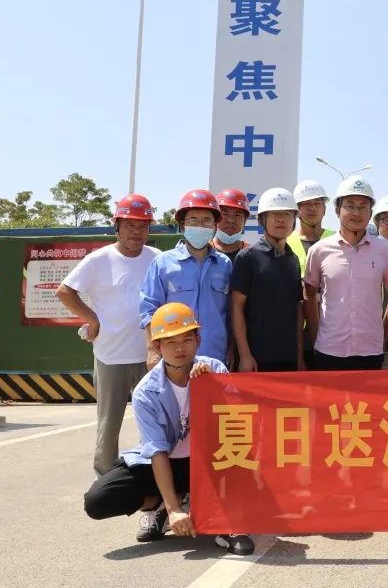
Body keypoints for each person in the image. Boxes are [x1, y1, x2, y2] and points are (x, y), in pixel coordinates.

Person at [82, 303, 254, 555]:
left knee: (243, 458)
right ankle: (166, 504)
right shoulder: (146, 392)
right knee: (98, 500)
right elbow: (157, 452)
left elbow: (236, 426)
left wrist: (212, 387)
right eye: (170, 342)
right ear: (157, 346)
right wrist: (174, 509)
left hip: (209, 462)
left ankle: (228, 524)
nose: (180, 348)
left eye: (187, 339)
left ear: (198, 340)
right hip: (167, 463)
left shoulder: (215, 370)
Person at [56, 194, 159, 476]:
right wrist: (91, 318)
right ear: (117, 226)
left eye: (143, 226)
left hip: (150, 357)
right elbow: (65, 291)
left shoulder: (157, 258)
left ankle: (152, 478)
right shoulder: (99, 259)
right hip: (110, 355)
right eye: (130, 225)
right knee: (109, 424)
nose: (136, 232)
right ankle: (105, 479)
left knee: (154, 422)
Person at [304, 176, 388, 370]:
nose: (356, 213)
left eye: (363, 207)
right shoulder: (319, 250)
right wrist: (316, 335)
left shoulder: (384, 251)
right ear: (337, 210)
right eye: (350, 206)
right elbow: (309, 294)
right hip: (328, 350)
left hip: (371, 351)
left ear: (370, 212)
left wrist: (383, 331)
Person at [140, 190, 231, 366]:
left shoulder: (224, 264)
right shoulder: (163, 263)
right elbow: (149, 309)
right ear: (182, 225)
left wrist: (232, 349)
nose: (200, 226)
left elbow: (230, 313)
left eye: (206, 220)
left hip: (215, 358)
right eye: (193, 220)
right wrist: (152, 349)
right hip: (175, 360)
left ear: (215, 226)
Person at [230, 188, 304, 372]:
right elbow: (236, 307)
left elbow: (297, 308)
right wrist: (245, 355)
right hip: (256, 359)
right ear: (262, 219)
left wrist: (299, 355)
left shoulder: (293, 260)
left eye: (286, 214)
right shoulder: (247, 257)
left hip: (288, 358)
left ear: (294, 220)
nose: (280, 219)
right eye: (274, 214)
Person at [286, 179, 336, 276]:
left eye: (317, 204)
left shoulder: (337, 239)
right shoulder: (286, 242)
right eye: (306, 204)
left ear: (324, 209)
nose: (312, 208)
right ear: (297, 210)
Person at [211, 188, 250, 263]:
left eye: (237, 215)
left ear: (245, 220)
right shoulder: (203, 252)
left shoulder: (252, 254)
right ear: (215, 218)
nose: (231, 220)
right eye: (225, 214)